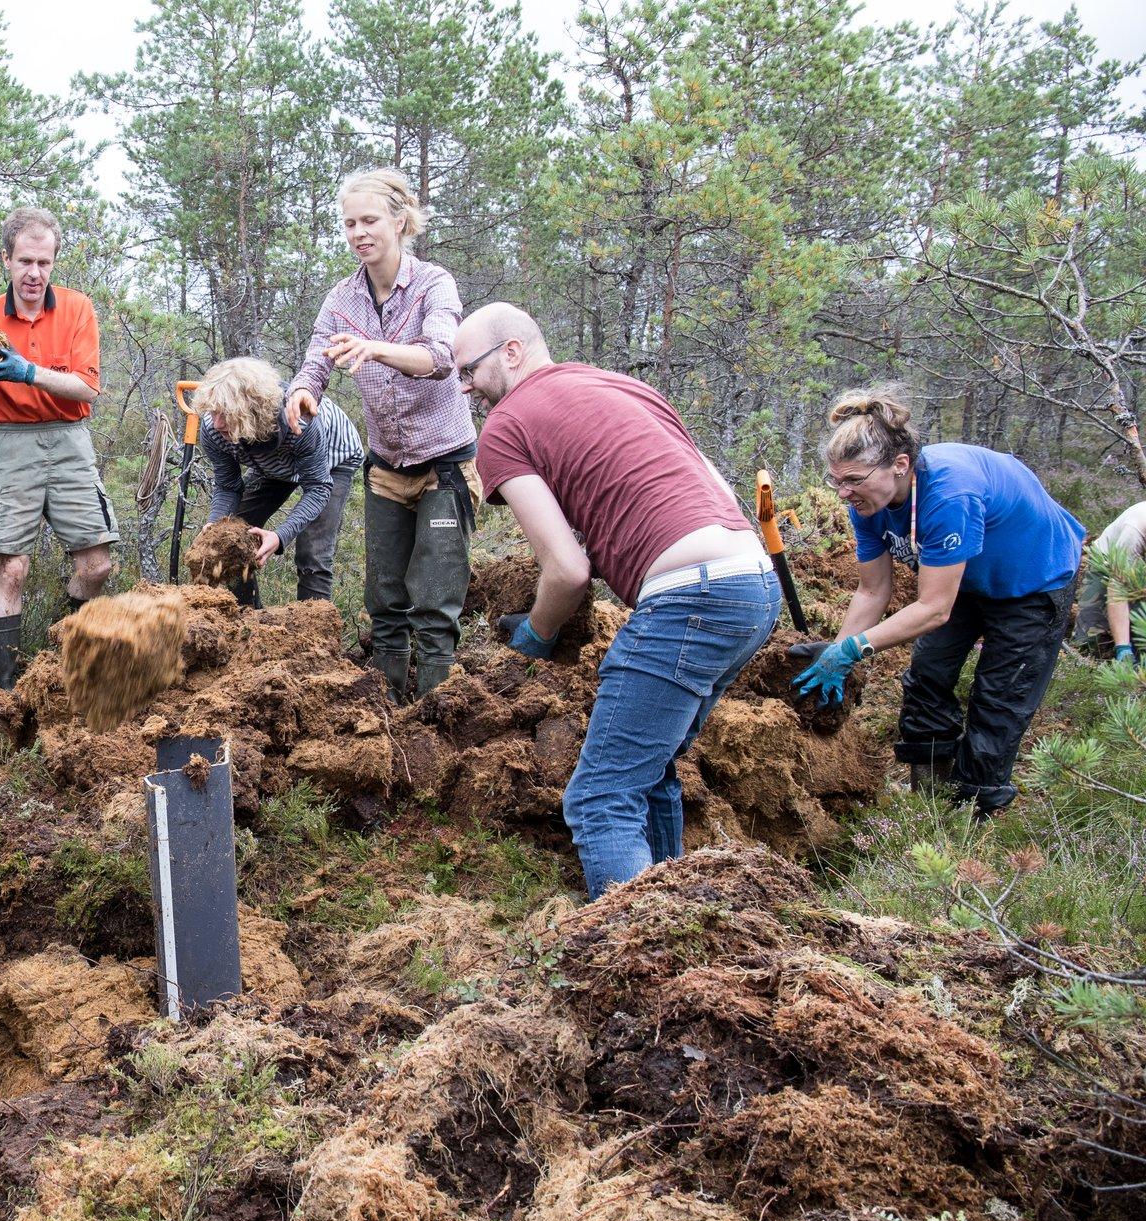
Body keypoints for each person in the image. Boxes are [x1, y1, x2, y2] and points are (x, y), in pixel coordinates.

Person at [454, 303, 782, 899]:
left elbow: (568, 570)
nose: (466, 387)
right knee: (650, 771)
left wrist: (536, 636)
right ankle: (678, 924)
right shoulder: (622, 386)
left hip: (691, 596)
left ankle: (638, 961)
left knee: (600, 797)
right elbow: (710, 483)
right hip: (754, 583)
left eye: (469, 371)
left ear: (511, 351)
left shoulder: (504, 426)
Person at [793, 387, 1084, 816]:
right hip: (965, 581)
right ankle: (929, 800)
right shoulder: (867, 504)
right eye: (836, 480)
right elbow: (872, 591)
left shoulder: (949, 495)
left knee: (998, 698)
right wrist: (840, 652)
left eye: (854, 480)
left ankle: (973, 814)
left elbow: (933, 608)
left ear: (900, 465)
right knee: (927, 674)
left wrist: (856, 648)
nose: (843, 493)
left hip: (1033, 580)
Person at [287, 169, 475, 701]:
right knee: (385, 597)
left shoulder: (434, 283)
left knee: (435, 598)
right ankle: (388, 711)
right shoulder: (342, 297)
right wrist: (304, 393)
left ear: (400, 220)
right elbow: (314, 362)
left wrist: (375, 347)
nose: (358, 232)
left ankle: (438, 711)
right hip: (387, 467)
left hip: (444, 465)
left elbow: (441, 359)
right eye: (349, 223)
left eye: (369, 220)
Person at [0, 206, 113, 688]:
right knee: (12, 568)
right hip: (13, 444)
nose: (35, 274)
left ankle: (67, 650)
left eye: (44, 263)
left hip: (71, 440)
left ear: (54, 263)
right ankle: (5, 691)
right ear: (6, 260)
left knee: (96, 567)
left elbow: (88, 389)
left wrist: (28, 372)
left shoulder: (77, 309)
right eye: (25, 262)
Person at [193, 357, 363, 605]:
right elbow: (228, 486)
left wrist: (280, 535)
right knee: (232, 537)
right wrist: (215, 523)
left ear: (252, 412)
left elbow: (317, 487)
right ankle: (245, 622)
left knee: (313, 554)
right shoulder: (213, 428)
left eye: (226, 414)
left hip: (331, 459)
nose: (217, 423)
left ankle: (312, 636)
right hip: (270, 463)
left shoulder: (301, 420)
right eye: (214, 412)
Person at [1073, 499, 1146, 665]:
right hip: (1106, 560)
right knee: (1091, 634)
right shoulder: (1135, 530)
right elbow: (1117, 589)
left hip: (1140, 562)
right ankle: (1085, 670)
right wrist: (1123, 647)